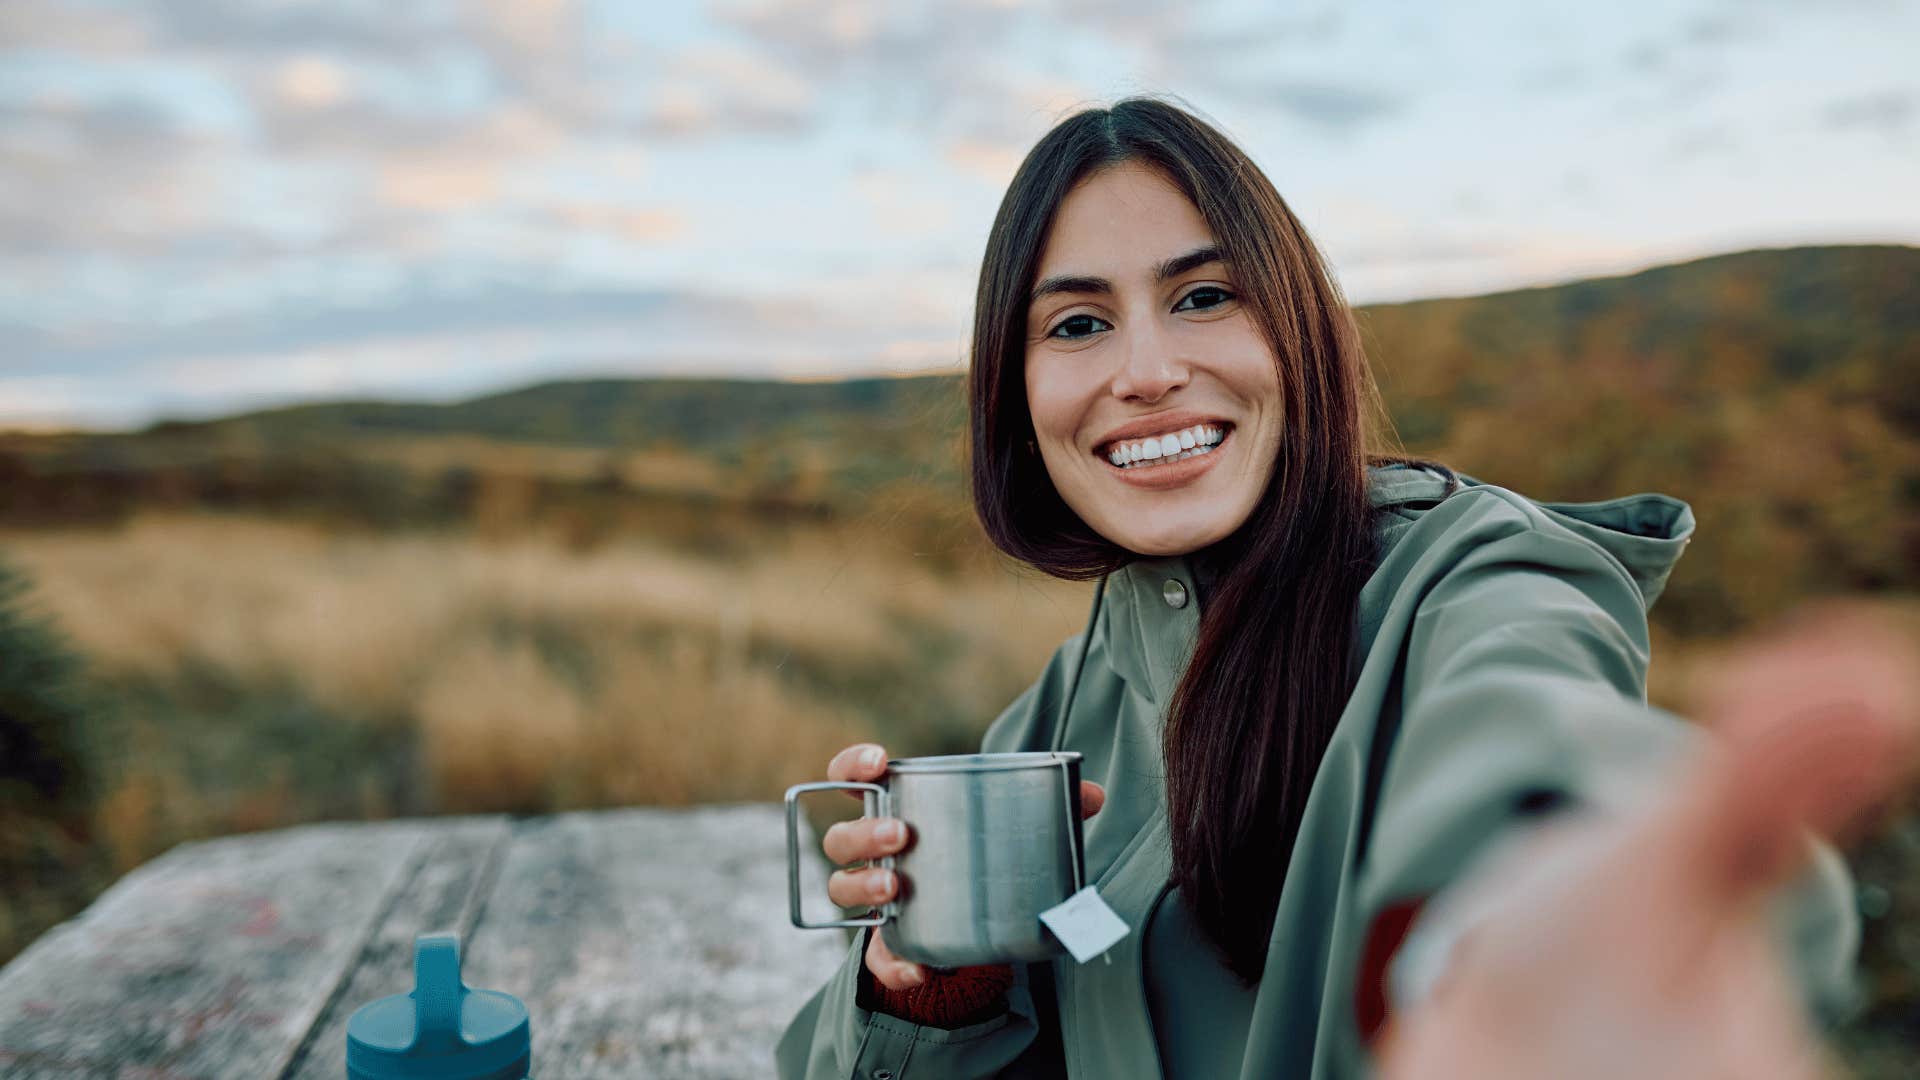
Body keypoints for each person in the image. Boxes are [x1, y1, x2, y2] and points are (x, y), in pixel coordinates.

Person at [773, 95, 1915, 1079]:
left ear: (1299, 326)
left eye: (1206, 297)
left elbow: (1528, 736)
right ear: (1015, 391)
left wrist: (1566, 912)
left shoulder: (1477, 581)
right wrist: (932, 993)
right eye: (1078, 324)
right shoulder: (1063, 707)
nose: (1147, 371)